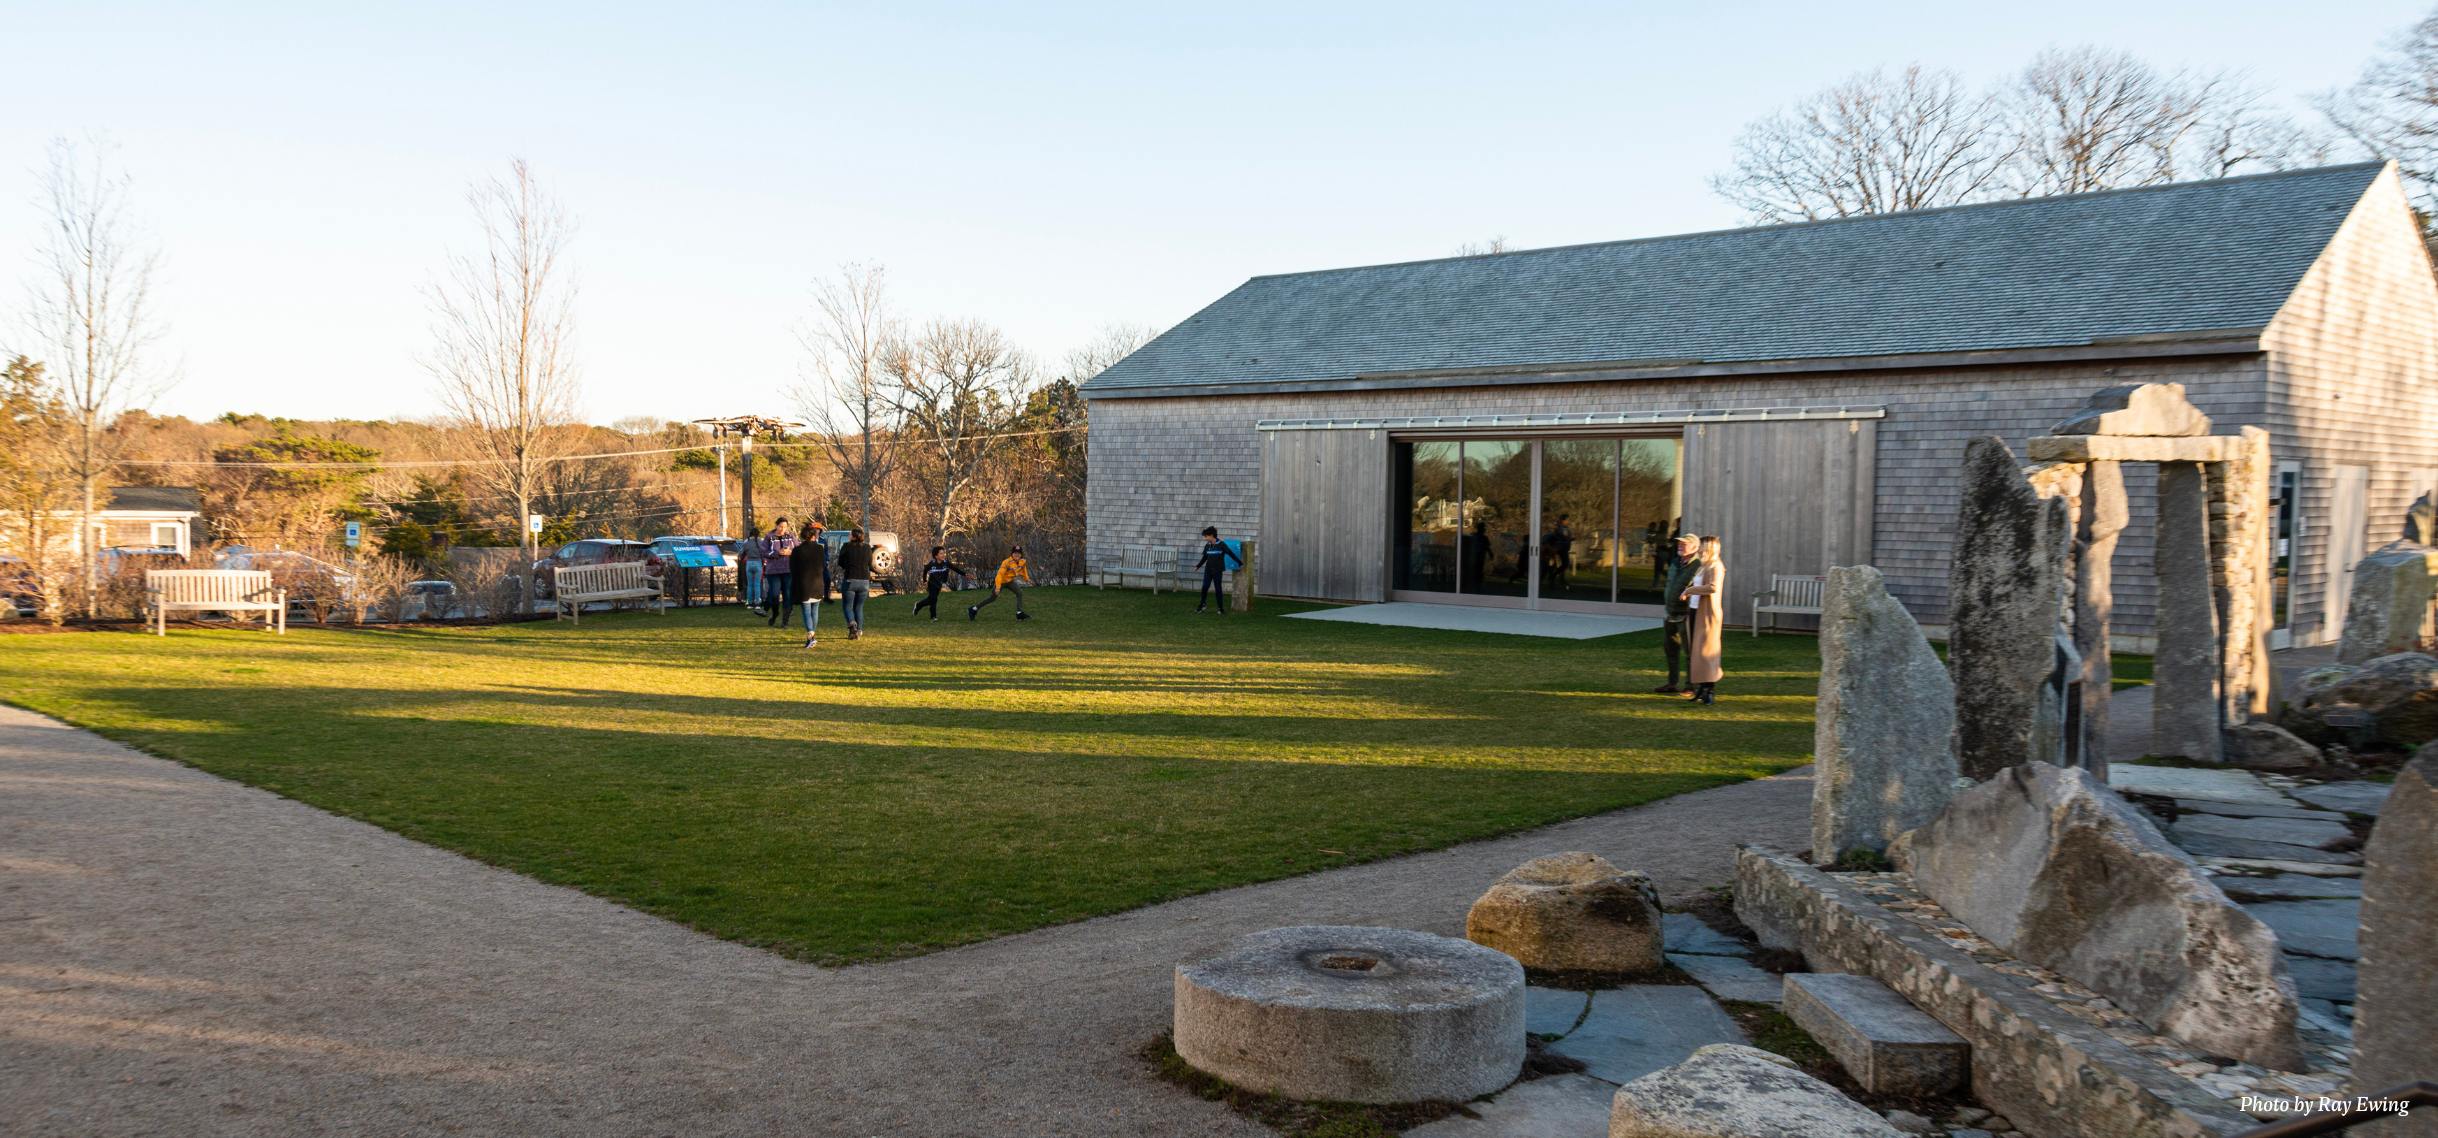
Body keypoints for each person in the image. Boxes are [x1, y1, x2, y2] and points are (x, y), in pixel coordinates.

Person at [1680, 535, 1726, 705]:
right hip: (1695, 611)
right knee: (1697, 652)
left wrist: (1690, 590)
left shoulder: (1716, 566)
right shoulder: (1703, 566)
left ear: (1710, 549)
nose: (1699, 550)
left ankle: (1709, 690)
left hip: (1707, 615)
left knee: (1707, 653)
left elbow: (1713, 588)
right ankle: (1701, 688)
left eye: (1702, 547)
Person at [1654, 532, 1700, 694]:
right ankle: (1672, 683)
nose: (1680, 545)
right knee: (1670, 649)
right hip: (1669, 613)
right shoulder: (1674, 562)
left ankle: (1691, 686)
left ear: (1694, 547)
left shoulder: (1698, 566)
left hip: (1685, 615)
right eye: (1679, 543)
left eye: (1684, 544)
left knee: (1689, 652)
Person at [789, 524, 831, 646]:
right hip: (817, 583)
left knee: (806, 611)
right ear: (813, 536)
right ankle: (812, 634)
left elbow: (792, 568)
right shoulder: (819, 549)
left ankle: (810, 634)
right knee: (815, 611)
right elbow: (823, 565)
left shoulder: (797, 550)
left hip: (804, 585)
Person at [968, 544, 1031, 621]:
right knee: (992, 598)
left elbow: (1024, 570)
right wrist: (998, 588)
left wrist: (1027, 579)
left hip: (1010, 581)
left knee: (1019, 593)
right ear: (1012, 554)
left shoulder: (1022, 561)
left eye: (1019, 553)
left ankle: (1019, 613)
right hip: (1001, 582)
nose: (1017, 554)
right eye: (1015, 553)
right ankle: (973, 609)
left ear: (1021, 554)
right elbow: (999, 575)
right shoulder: (1006, 562)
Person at [1194, 526, 1243, 614]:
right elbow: (1205, 557)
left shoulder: (1221, 544)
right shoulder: (1207, 545)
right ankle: (1202, 605)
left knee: (1218, 589)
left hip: (1217, 571)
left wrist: (1239, 562)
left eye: (1206, 536)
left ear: (1212, 535)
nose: (1205, 538)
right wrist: (1198, 566)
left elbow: (1230, 553)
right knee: (1204, 587)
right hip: (1208, 570)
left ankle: (1220, 608)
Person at [837, 528, 875, 639]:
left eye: (850, 534)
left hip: (850, 579)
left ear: (854, 537)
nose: (849, 536)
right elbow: (869, 562)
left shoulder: (846, 546)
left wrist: (847, 567)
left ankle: (852, 623)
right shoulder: (867, 547)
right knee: (859, 607)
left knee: (847, 606)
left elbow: (840, 562)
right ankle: (859, 631)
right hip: (864, 581)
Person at [762, 518, 799, 627]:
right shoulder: (769, 537)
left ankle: (785, 621)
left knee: (787, 595)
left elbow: (798, 548)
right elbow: (763, 552)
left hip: (788, 570)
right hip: (773, 571)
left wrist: (791, 552)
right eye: (780, 526)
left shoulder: (791, 536)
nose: (783, 529)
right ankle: (775, 613)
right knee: (774, 594)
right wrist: (777, 553)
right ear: (776, 525)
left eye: (785, 527)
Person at [912, 546, 966, 620]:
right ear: (936, 556)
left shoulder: (946, 563)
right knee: (934, 599)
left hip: (939, 585)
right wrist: (925, 581)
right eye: (941, 553)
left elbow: (955, 569)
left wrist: (965, 575)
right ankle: (933, 617)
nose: (943, 555)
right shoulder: (932, 564)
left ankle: (918, 605)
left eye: (944, 553)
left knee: (931, 599)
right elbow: (925, 571)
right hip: (932, 584)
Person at [740, 525, 764, 614]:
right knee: (757, 584)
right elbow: (764, 553)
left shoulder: (747, 542)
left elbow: (742, 553)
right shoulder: (760, 542)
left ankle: (749, 603)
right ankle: (757, 604)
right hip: (758, 563)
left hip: (749, 563)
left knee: (750, 584)